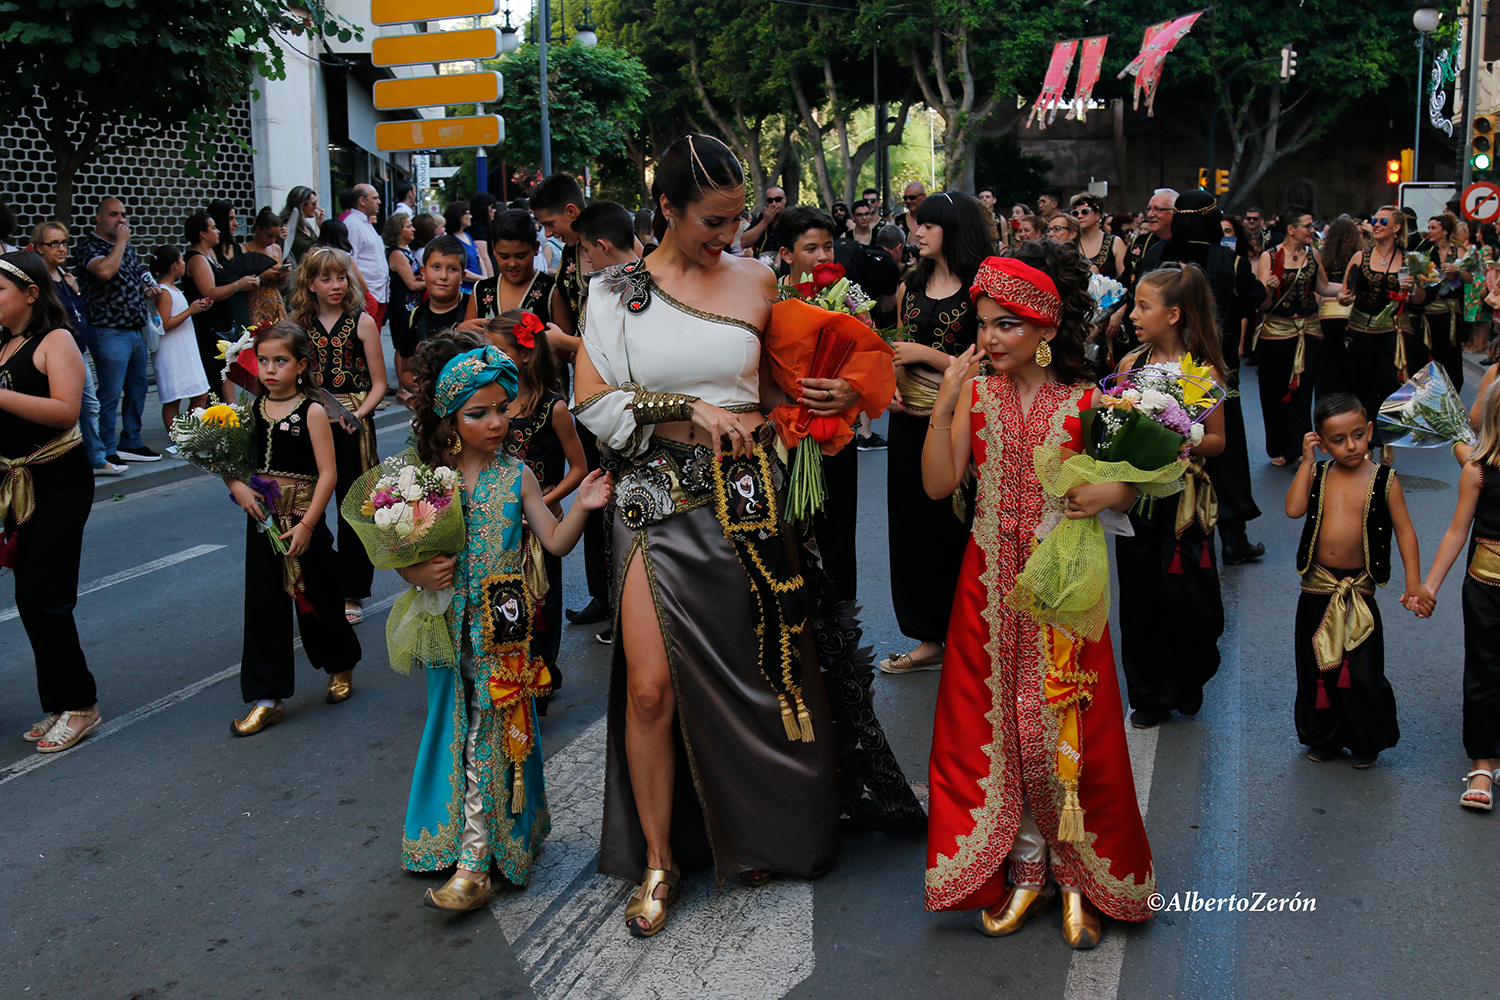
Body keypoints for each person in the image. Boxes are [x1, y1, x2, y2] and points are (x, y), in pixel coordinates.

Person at [571, 133, 843, 937]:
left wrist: (827, 398)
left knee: (757, 675)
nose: (728, 236)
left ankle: (757, 830)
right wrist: (685, 406)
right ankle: (660, 858)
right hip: (653, 499)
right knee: (649, 689)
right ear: (666, 207)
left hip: (748, 498)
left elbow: (778, 391)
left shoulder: (758, 279)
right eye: (712, 221)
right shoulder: (613, 292)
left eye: (735, 219)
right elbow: (593, 401)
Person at [922, 245, 1155, 950]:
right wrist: (945, 402)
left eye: (1007, 325)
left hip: (1064, 590)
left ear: (1046, 330)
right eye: (984, 324)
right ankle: (1027, 870)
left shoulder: (1090, 401)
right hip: (987, 592)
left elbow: (1134, 484)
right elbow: (938, 485)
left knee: (1068, 725)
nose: (990, 338)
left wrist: (1113, 490)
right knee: (994, 732)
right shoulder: (978, 397)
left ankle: (1077, 875)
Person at [395, 333, 612, 910]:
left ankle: (474, 865)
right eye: (478, 413)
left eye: (502, 409)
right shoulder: (426, 479)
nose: (495, 422)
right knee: (453, 724)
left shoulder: (519, 476)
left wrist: (583, 506)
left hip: (503, 627)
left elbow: (555, 541)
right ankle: (463, 836)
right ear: (449, 418)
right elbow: (401, 554)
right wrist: (418, 573)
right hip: (446, 628)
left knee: (488, 729)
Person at [226, 322, 362, 736]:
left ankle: (340, 663)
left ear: (301, 365)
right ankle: (267, 697)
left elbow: (328, 474)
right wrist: (237, 487)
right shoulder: (251, 410)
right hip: (263, 521)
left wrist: (307, 525)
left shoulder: (312, 411)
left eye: (280, 361)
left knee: (319, 596)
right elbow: (232, 462)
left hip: (302, 520)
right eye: (263, 361)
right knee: (264, 605)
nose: (270, 370)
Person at [881, 191, 993, 675]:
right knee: (912, 529)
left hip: (960, 422)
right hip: (907, 421)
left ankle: (969, 634)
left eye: (928, 224)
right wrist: (888, 385)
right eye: (916, 222)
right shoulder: (910, 284)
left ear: (955, 228)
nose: (917, 231)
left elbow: (991, 363)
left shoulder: (981, 289)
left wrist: (927, 356)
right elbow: (896, 348)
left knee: (958, 527)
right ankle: (929, 637)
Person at [1114, 264, 1230, 729]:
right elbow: (1114, 422)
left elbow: (1218, 441)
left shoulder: (1203, 372)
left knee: (1188, 597)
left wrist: (1183, 436)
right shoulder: (1129, 365)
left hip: (1186, 500)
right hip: (1138, 496)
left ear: (1174, 314)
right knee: (1139, 597)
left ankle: (1189, 677)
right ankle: (1149, 694)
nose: (1133, 315)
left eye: (1143, 306)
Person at [1286, 393, 1424, 770]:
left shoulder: (1384, 480)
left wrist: (1414, 583)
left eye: (1358, 435)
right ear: (1321, 442)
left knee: (1360, 670)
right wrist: (1306, 462)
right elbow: (1293, 509)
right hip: (1317, 587)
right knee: (1317, 667)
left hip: (1358, 592)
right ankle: (1325, 736)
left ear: (1370, 431)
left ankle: (1364, 739)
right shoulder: (1318, 474)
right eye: (1338, 439)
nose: (1351, 446)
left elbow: (1405, 531)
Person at [1, 251, 101, 754]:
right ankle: (61, 701)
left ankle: (81, 705)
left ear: (30, 294)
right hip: (15, 482)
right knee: (31, 596)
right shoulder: (4, 343)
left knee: (44, 594)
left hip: (58, 481)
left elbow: (65, 411)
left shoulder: (55, 340)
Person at [1138, 190, 1267, 565]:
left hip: (1159, 365)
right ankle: (1233, 536)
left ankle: (1159, 525)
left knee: (1160, 441)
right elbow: (1253, 298)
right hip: (1213, 367)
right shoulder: (1229, 259)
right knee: (1225, 451)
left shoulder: (1156, 254)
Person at [485, 310, 587, 692]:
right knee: (506, 599)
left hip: (541, 524)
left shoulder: (553, 407)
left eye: (498, 351)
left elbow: (579, 468)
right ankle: (509, 673)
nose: (490, 359)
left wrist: (542, 503)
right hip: (501, 520)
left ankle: (542, 676)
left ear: (525, 354)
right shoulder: (493, 404)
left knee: (541, 600)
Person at [290, 246, 386, 624]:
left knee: (354, 507)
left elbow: (379, 384)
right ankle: (318, 582)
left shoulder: (362, 322)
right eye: (326, 278)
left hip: (354, 426)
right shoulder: (297, 325)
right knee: (308, 504)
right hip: (313, 422)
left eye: (341, 277)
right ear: (309, 284)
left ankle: (352, 592)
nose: (336, 285)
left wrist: (358, 413)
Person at [1422, 384, 1500, 806]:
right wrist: (1429, 587)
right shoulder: (1478, 471)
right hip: (1487, 588)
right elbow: (1456, 532)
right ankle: (1483, 763)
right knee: (1484, 672)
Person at [29, 222, 122, 476]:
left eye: (64, 242)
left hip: (77, 351)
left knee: (88, 407)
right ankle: (91, 459)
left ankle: (95, 459)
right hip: (59, 355)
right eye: (54, 243)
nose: (61, 248)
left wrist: (76, 291)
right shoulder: (40, 279)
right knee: (80, 407)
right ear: (39, 247)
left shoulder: (63, 275)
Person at [1338, 206, 1425, 464]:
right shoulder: (1360, 257)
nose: (1375, 224)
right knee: (1361, 388)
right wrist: (1344, 299)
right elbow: (1345, 293)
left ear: (1396, 227)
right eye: (1374, 220)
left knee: (1389, 386)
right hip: (1361, 331)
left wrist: (1414, 288)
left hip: (1393, 331)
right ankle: (1365, 441)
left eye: (1382, 221)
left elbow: (1420, 300)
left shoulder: (1411, 260)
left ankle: (1385, 439)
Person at [1254, 206, 1340, 466]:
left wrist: (1348, 289)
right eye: (1307, 226)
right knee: (1275, 392)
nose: (1312, 230)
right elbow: (1262, 304)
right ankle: (1279, 448)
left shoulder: (1313, 254)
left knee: (1303, 393)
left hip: (1308, 332)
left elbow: (1323, 286)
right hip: (1276, 334)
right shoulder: (1270, 256)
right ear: (1291, 229)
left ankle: (1300, 448)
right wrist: (1269, 289)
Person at [76, 198, 159, 466]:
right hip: (108, 330)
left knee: (138, 390)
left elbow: (131, 276)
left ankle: (131, 441)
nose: (121, 220)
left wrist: (146, 288)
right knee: (110, 394)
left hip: (134, 330)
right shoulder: (89, 245)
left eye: (123, 214)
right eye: (114, 214)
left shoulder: (126, 247)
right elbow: (104, 271)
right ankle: (105, 449)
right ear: (99, 218)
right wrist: (121, 242)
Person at [183, 211, 259, 400]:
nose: (217, 231)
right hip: (210, 330)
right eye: (213, 228)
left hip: (222, 327)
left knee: (226, 375)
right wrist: (238, 285)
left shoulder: (209, 255)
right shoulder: (197, 258)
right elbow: (210, 291)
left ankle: (229, 411)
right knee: (216, 381)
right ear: (202, 233)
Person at [393, 235, 470, 396]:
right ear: (423, 271)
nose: (443, 276)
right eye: (436, 267)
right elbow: (406, 370)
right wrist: (412, 384)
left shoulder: (473, 308)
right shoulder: (414, 319)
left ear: (462, 276)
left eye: (452, 269)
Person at [146, 246, 211, 432]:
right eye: (182, 260)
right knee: (173, 399)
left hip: (185, 349)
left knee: (200, 394)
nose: (184, 264)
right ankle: (178, 438)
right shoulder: (164, 291)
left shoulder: (173, 289)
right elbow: (165, 323)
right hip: (172, 351)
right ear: (175, 265)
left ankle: (189, 433)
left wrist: (197, 308)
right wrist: (191, 310)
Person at [1417, 213, 1470, 391]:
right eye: (1429, 227)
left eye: (1434, 228)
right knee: (1427, 353)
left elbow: (1470, 278)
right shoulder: (1425, 250)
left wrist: (1457, 270)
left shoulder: (1457, 251)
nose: (1429, 231)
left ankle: (1450, 392)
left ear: (1445, 231)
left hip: (1449, 312)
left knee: (1449, 355)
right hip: (1427, 312)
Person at [1317, 217, 1362, 395]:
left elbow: (1319, 289)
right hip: (1351, 313)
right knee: (1349, 367)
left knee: (1327, 367)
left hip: (1327, 314)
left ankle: (1326, 403)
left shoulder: (1323, 256)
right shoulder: (1360, 256)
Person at [230, 207, 292, 328]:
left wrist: (283, 274)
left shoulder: (275, 248)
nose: (272, 240)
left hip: (274, 300)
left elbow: (282, 284)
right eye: (269, 236)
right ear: (258, 229)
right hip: (255, 301)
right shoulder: (244, 249)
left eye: (275, 237)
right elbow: (239, 282)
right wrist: (262, 276)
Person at [345, 184, 389, 326]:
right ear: (362, 201)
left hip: (378, 293)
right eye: (375, 198)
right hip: (367, 294)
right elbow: (349, 260)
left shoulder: (365, 223)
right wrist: (365, 292)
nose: (379, 202)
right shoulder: (352, 224)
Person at [384, 212, 423, 372]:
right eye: (408, 226)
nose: (413, 229)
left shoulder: (405, 251)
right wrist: (430, 282)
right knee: (402, 346)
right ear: (398, 231)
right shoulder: (397, 254)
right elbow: (412, 285)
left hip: (411, 304)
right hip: (402, 305)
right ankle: (402, 382)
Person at [1072, 194, 1123, 277]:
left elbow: (1124, 277)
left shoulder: (1115, 242)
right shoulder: (1071, 242)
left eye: (1085, 211)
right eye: (1075, 213)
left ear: (1097, 215)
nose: (1079, 216)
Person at [279, 186, 325, 265]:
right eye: (313, 204)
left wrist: (322, 227)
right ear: (302, 205)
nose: (316, 207)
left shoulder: (306, 225)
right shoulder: (284, 225)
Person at [739, 186, 788, 260]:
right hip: (761, 263)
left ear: (785, 200)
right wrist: (764, 222)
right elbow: (744, 243)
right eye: (770, 200)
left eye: (778, 200)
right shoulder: (759, 217)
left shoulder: (791, 218)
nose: (774, 204)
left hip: (784, 263)